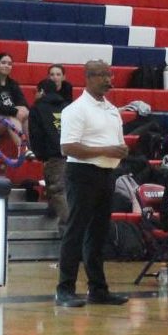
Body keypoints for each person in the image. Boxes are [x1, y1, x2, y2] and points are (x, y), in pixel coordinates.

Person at [55, 59, 129, 307]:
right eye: (100, 75)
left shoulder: (112, 110)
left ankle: (98, 289)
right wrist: (108, 149)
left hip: (106, 175)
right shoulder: (75, 110)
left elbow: (116, 144)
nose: (107, 80)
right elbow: (68, 147)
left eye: (109, 75)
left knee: (99, 234)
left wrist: (120, 151)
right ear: (87, 77)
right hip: (82, 174)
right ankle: (64, 289)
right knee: (76, 231)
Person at [28, 77, 68, 230]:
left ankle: (67, 226)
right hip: (74, 154)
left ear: (42, 91)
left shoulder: (38, 108)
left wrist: (40, 155)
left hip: (54, 156)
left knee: (57, 190)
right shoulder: (67, 106)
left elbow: (36, 135)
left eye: (36, 92)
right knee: (67, 189)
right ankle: (51, 212)